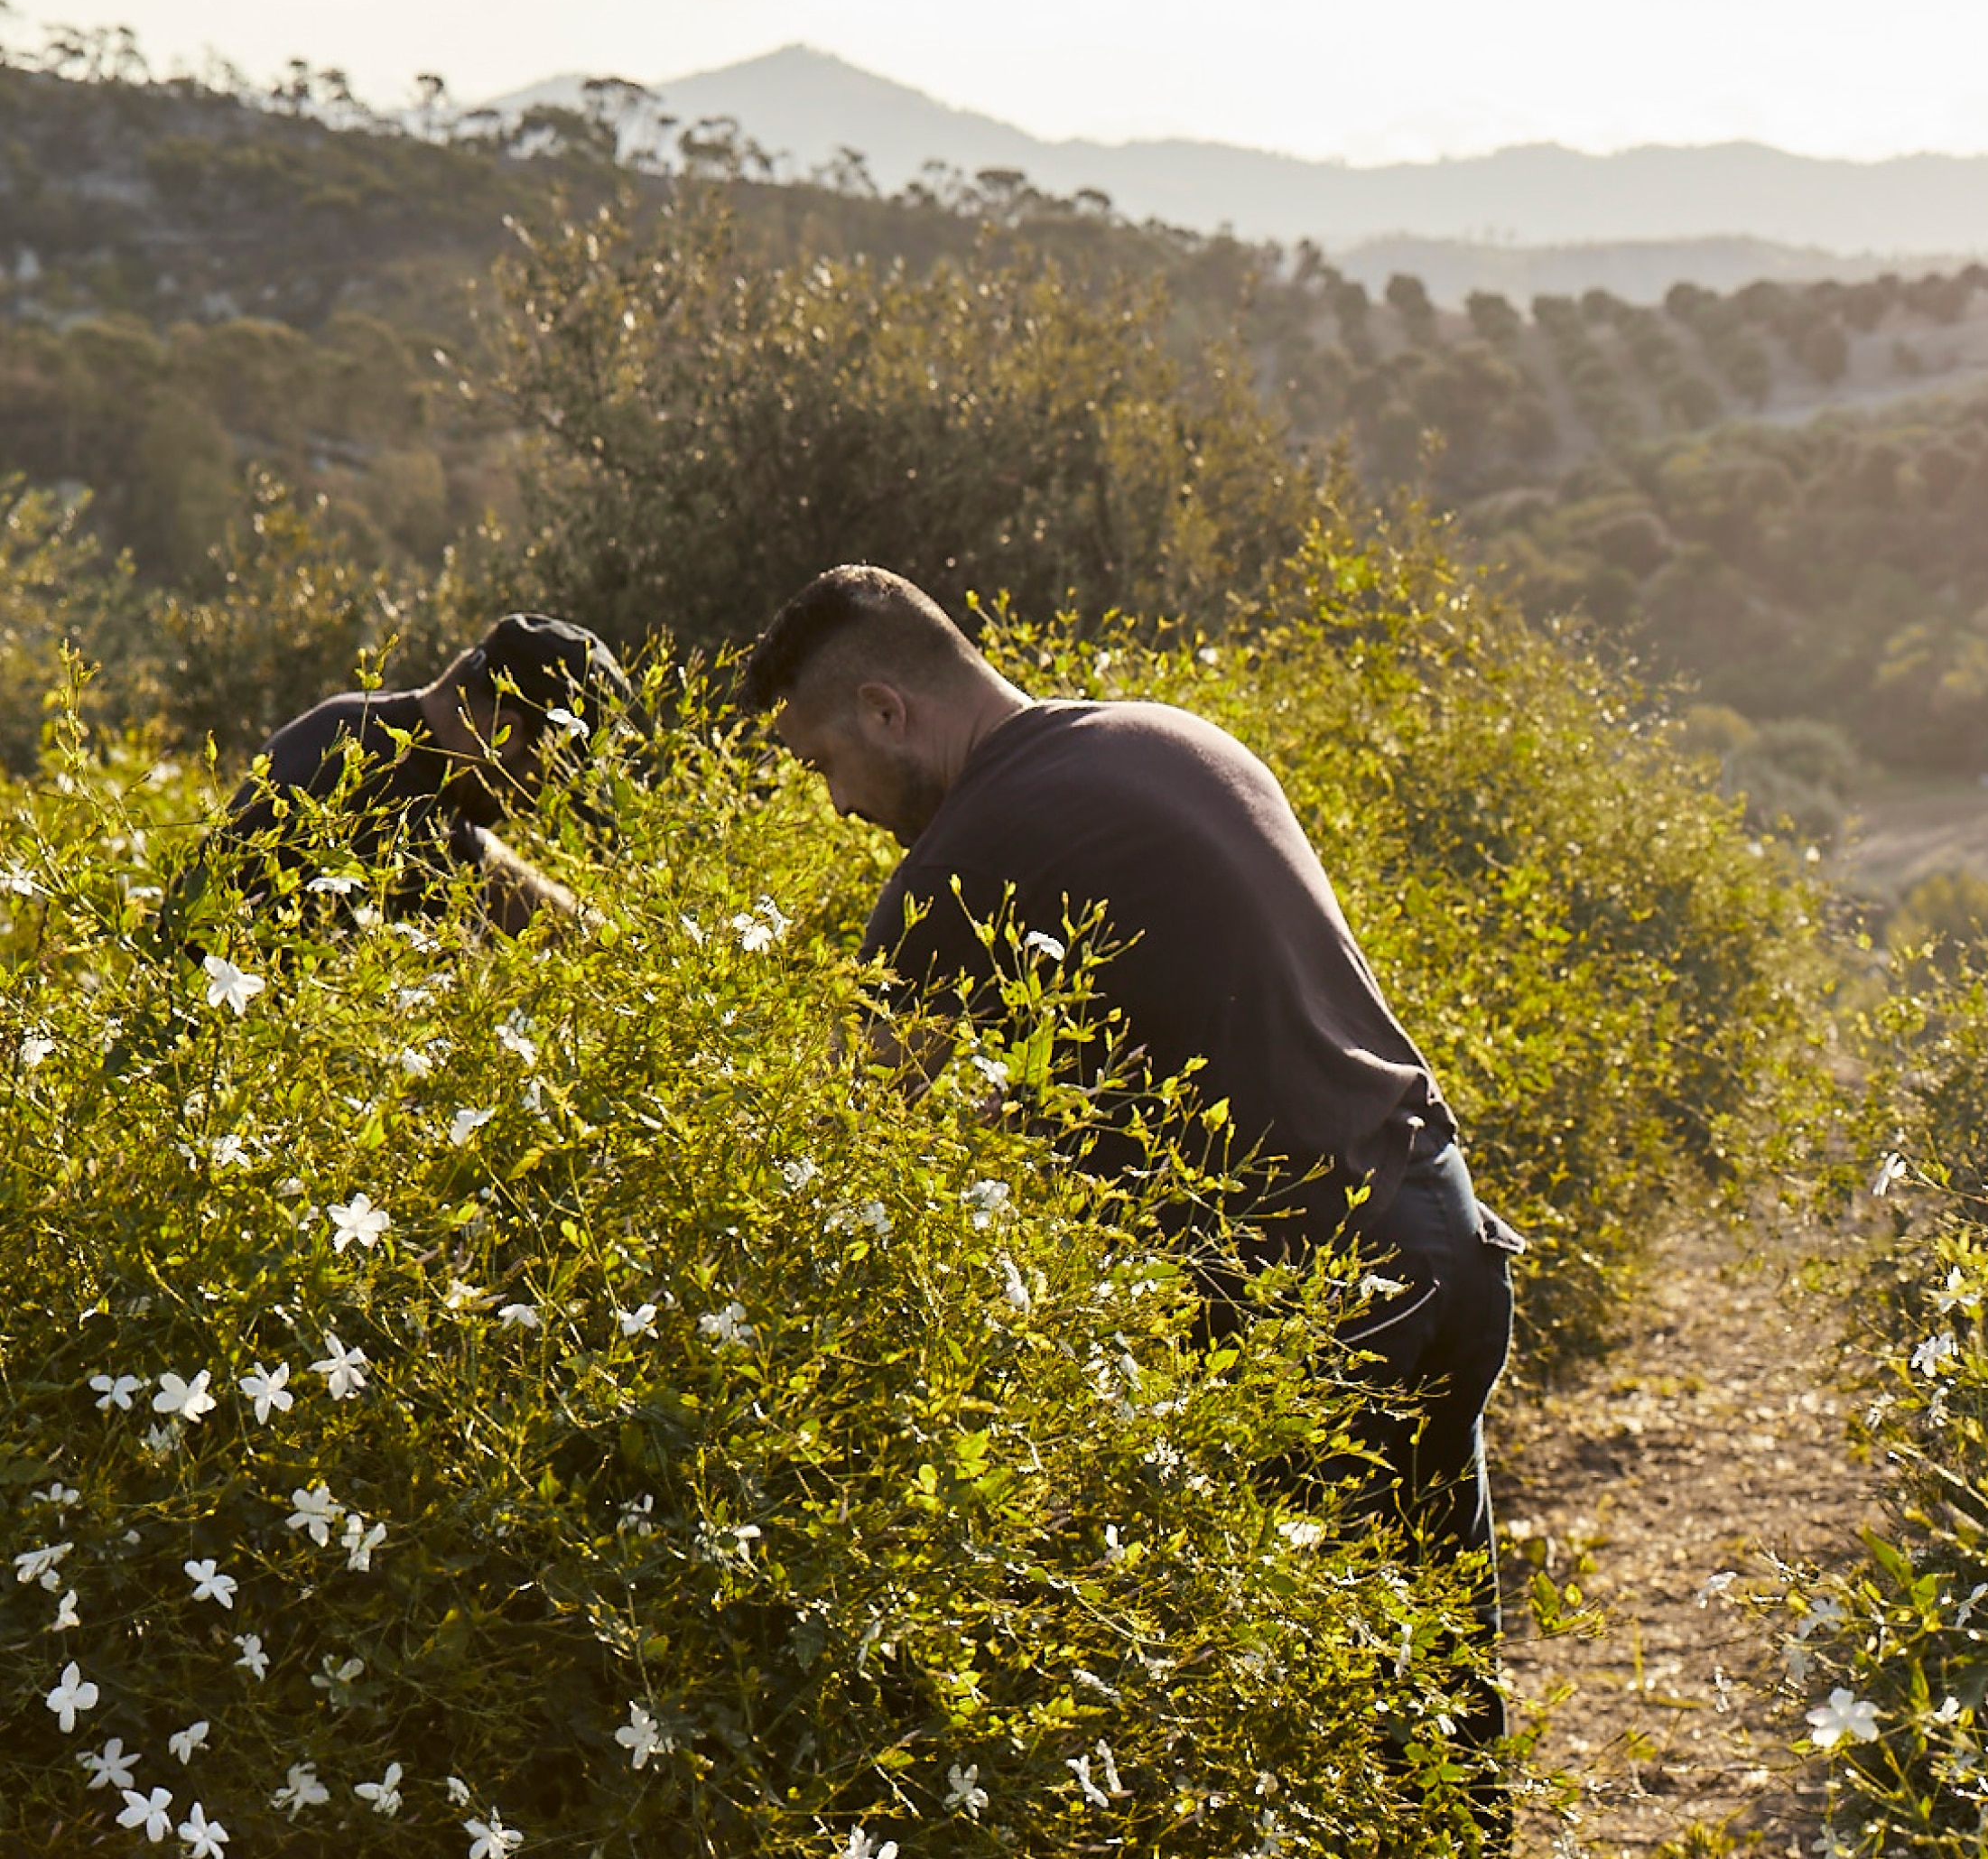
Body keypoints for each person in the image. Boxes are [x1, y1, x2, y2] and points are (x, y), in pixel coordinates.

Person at [739, 563, 1520, 1835]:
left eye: (824, 763)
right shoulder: (1163, 735)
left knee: (1294, 1716)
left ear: (887, 710)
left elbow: (848, 1149)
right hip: (1440, 1231)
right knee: (1433, 1686)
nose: (834, 805)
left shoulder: (963, 861)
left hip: (1315, 1301)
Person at [175, 613, 627, 934]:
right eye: (547, 776)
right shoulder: (394, 813)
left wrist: (609, 940)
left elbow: (479, 855)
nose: (533, 803)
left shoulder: (357, 717)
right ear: (501, 733)